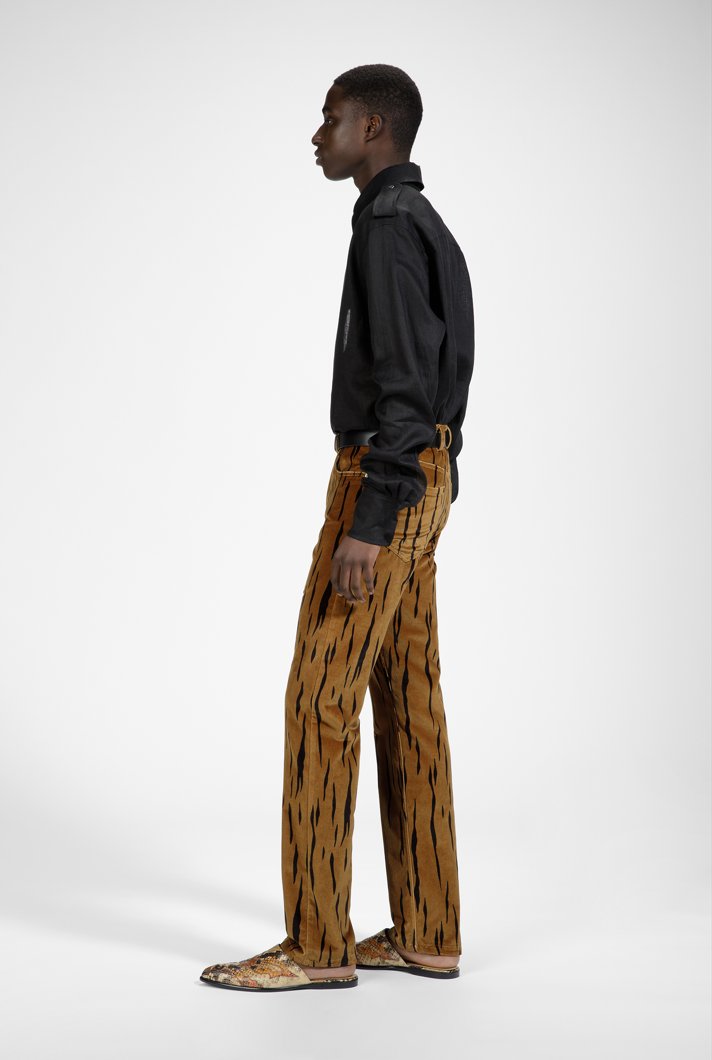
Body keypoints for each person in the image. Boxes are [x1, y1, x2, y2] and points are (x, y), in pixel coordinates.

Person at [200, 63, 475, 992]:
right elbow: (446, 380)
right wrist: (427, 483)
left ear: (375, 129)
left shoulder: (389, 227)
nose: (317, 136)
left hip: (384, 482)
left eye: (331, 119)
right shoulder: (424, 223)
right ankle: (428, 930)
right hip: (426, 475)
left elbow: (404, 382)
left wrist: (373, 512)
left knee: (320, 698)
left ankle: (317, 944)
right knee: (409, 698)